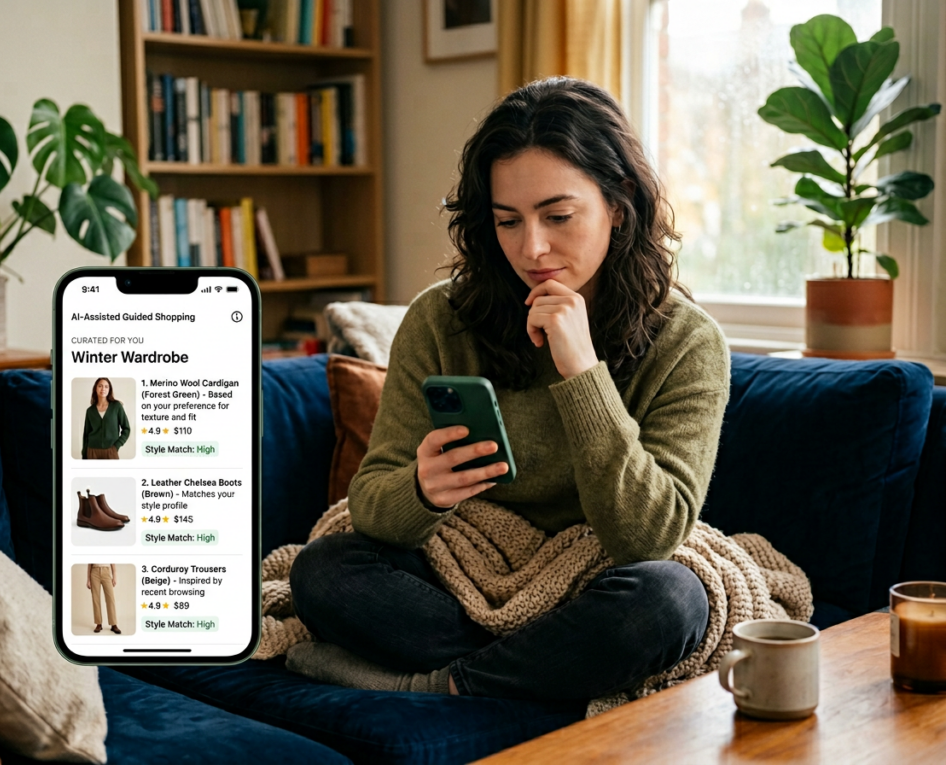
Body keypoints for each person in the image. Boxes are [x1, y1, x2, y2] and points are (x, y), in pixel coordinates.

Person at [288, 77, 731, 701]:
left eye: (558, 216)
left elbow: (647, 538)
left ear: (619, 202)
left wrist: (583, 373)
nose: (532, 248)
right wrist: (422, 490)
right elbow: (371, 505)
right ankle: (535, 672)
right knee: (324, 571)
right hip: (463, 569)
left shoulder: (687, 341)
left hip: (596, 577)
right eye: (508, 221)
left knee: (670, 600)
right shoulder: (440, 319)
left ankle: (437, 684)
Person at [81, 378, 130, 460]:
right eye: (100, 386)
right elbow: (86, 434)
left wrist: (116, 446)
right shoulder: (90, 411)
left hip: (111, 450)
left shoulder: (116, 406)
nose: (103, 389)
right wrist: (84, 454)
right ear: (95, 388)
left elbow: (126, 429)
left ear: (109, 389)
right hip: (92, 451)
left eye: (106, 386)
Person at [86, 563, 121, 634]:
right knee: (95, 599)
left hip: (106, 571)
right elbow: (89, 564)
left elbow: (113, 564)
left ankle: (113, 624)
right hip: (94, 572)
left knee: (110, 599)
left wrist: (114, 577)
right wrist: (88, 579)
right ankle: (98, 624)